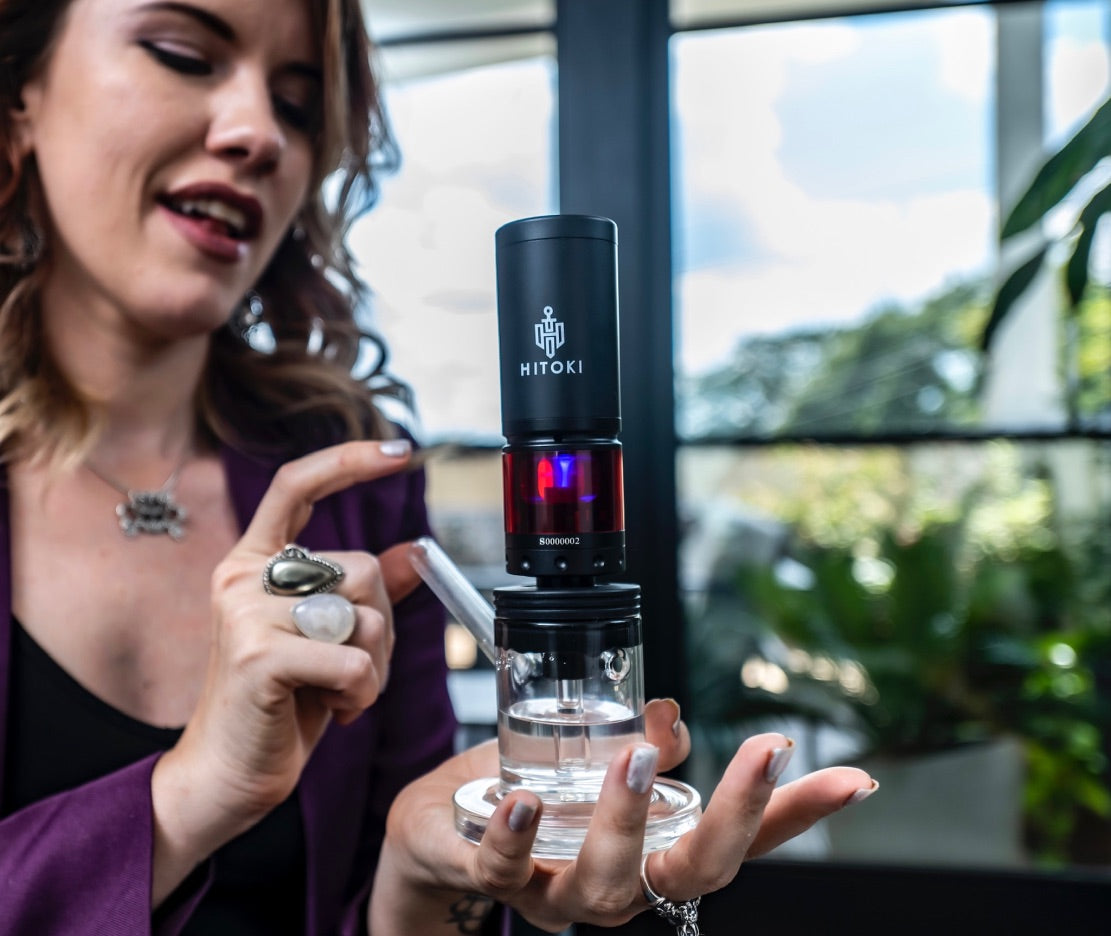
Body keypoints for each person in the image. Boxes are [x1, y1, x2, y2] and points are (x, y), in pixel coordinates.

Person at [0, 0, 878, 933]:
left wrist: (420, 876)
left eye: (300, 106)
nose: (259, 132)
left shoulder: (352, 491)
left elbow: (384, 899)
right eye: (182, 54)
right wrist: (184, 799)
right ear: (19, 100)